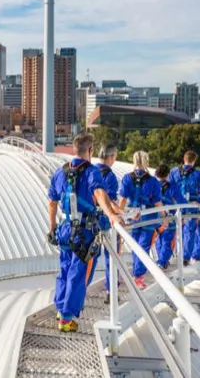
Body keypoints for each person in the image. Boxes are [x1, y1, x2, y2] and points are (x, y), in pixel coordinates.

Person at [48, 134, 122, 333]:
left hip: (64, 230)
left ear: (74, 149)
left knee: (64, 270)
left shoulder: (60, 172)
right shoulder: (92, 172)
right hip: (84, 232)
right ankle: (67, 318)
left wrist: (52, 227)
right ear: (90, 150)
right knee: (78, 275)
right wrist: (112, 216)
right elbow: (99, 193)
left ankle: (61, 306)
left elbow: (52, 202)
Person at [118, 151, 164, 290]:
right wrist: (164, 216)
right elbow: (157, 202)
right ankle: (138, 276)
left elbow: (123, 200)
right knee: (144, 246)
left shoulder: (127, 178)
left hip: (132, 216)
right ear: (146, 162)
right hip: (148, 217)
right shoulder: (153, 181)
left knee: (135, 245)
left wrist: (120, 215)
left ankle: (137, 274)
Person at [168, 150, 200, 266]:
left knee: (173, 229)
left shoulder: (174, 171)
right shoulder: (198, 174)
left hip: (177, 204)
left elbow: (169, 187)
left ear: (184, 158)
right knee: (189, 231)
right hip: (191, 206)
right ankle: (185, 257)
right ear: (194, 161)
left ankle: (169, 256)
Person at [95, 145, 121, 303]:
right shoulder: (110, 177)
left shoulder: (90, 171)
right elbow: (110, 202)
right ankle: (111, 292)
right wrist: (120, 214)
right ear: (111, 157)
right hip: (106, 222)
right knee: (111, 257)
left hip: (90, 222)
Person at [154, 164, 186, 270]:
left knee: (159, 239)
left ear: (155, 174)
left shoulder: (152, 185)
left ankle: (161, 260)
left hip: (155, 217)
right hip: (169, 217)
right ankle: (162, 261)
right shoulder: (172, 187)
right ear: (168, 175)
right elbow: (181, 202)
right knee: (167, 241)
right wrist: (184, 214)